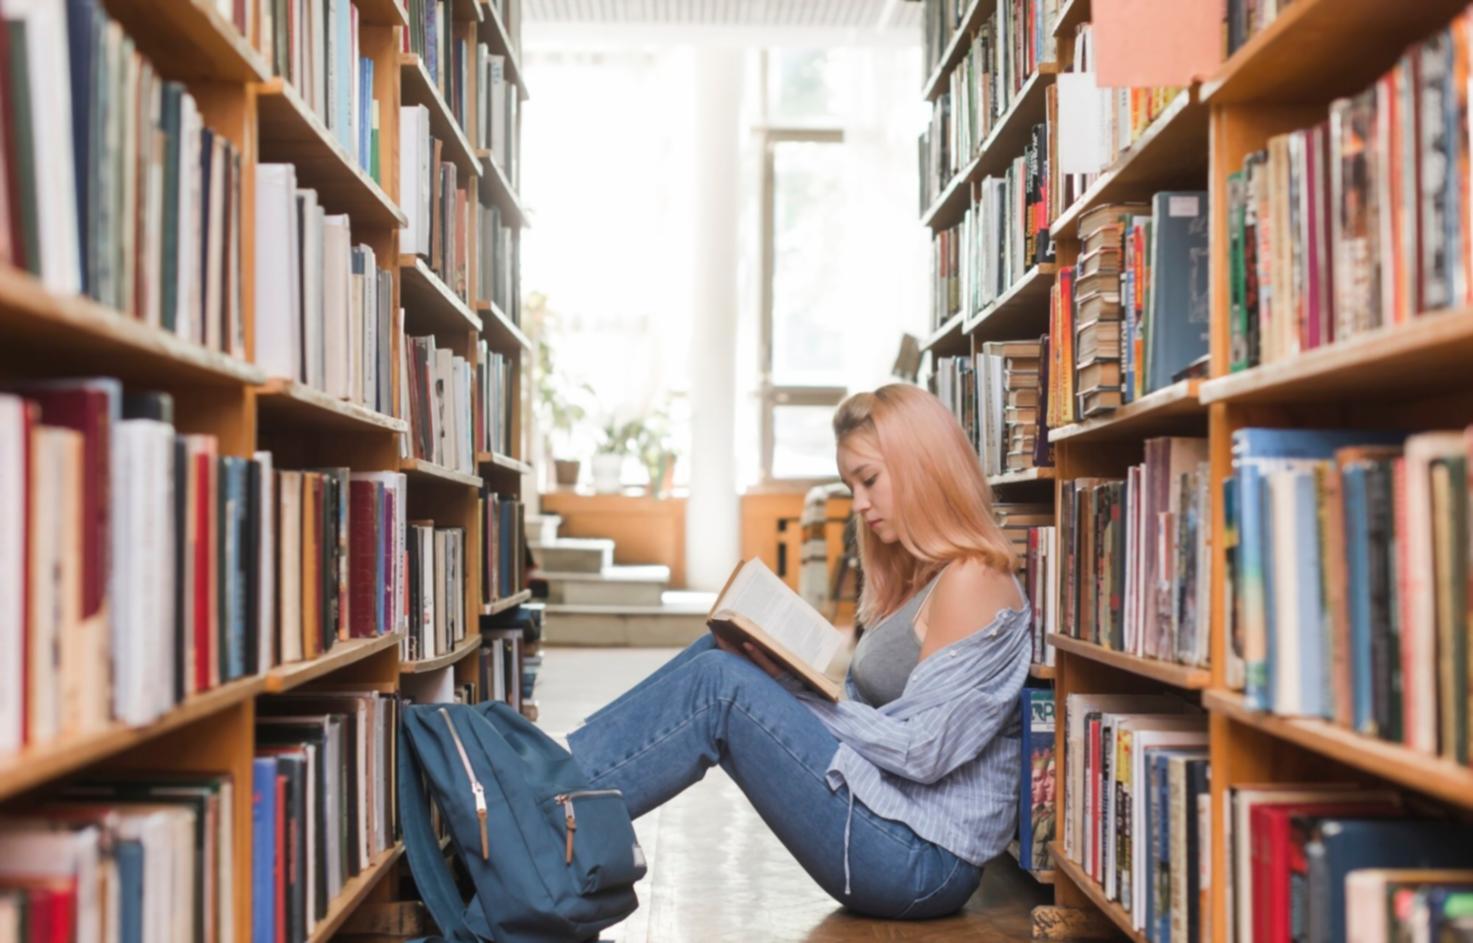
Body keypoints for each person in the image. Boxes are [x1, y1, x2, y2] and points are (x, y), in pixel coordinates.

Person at [566, 384, 1032, 920]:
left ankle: (539, 811)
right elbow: (874, 714)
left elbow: (922, 752)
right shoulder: (917, 575)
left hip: (923, 860)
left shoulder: (975, 579)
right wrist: (784, 677)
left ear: (923, 466)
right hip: (887, 818)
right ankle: (553, 788)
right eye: (850, 484)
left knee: (722, 683)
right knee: (716, 656)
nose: (858, 503)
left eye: (870, 480)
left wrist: (792, 695)